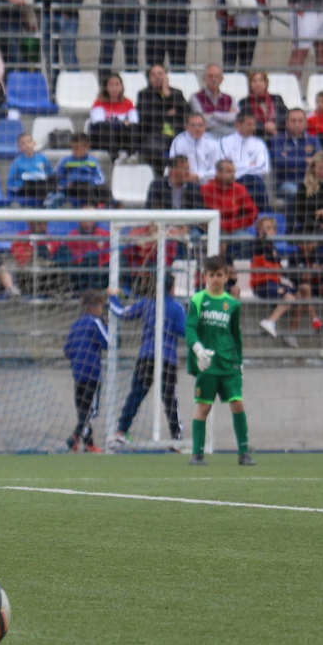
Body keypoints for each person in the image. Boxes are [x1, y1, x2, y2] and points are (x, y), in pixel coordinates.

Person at [185, 254, 252, 466]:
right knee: (204, 407)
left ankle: (244, 452)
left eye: (219, 275)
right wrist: (197, 349)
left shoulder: (232, 304)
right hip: (207, 365)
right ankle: (197, 454)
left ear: (226, 276)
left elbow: (235, 335)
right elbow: (190, 328)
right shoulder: (198, 299)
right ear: (205, 276)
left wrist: (239, 362)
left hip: (229, 363)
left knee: (238, 404)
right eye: (211, 274)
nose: (215, 278)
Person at [107, 284, 186, 447]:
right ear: (171, 288)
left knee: (135, 395)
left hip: (147, 356)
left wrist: (113, 297)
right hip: (167, 358)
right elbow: (183, 331)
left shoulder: (147, 303)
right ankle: (177, 437)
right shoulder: (177, 307)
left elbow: (122, 313)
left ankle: (121, 431)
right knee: (170, 398)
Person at [62, 290, 110, 452]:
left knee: (83, 410)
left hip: (78, 374)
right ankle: (75, 437)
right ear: (94, 307)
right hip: (92, 373)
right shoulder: (95, 322)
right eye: (101, 306)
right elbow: (108, 342)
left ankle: (88, 443)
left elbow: (67, 350)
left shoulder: (76, 324)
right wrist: (106, 325)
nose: (102, 310)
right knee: (91, 411)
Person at [136, 65, 189, 169]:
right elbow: (146, 116)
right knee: (152, 149)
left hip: (178, 133)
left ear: (166, 76)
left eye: (160, 74)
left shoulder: (177, 93)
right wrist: (169, 113)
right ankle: (164, 173)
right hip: (156, 135)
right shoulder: (144, 94)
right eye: (153, 75)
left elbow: (187, 112)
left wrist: (168, 95)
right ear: (149, 79)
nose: (157, 77)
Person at [218, 111, 272, 209]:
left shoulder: (259, 143)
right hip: (232, 181)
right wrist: (249, 164)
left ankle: (266, 214)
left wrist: (236, 166)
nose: (253, 128)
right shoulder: (224, 142)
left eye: (254, 124)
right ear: (238, 125)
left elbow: (264, 168)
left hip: (254, 182)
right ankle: (267, 213)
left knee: (254, 182)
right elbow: (223, 167)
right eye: (249, 124)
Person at [271, 109, 323, 202]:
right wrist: (305, 160)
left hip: (309, 181)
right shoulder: (278, 139)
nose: (297, 124)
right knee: (296, 193)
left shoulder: (313, 140)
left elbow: (319, 161)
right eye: (293, 121)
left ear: (305, 123)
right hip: (286, 182)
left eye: (300, 121)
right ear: (287, 123)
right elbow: (280, 162)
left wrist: (291, 159)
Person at [289, 150, 323, 236]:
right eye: (320, 168)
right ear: (314, 168)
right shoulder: (304, 188)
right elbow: (300, 215)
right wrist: (317, 225)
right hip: (308, 230)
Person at [201, 159, 258, 233]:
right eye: (229, 172)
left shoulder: (240, 189)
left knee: (246, 239)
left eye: (234, 171)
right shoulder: (206, 189)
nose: (233, 175)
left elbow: (253, 213)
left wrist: (236, 224)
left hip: (234, 230)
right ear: (218, 173)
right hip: (211, 229)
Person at [169, 111, 220, 185]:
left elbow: (217, 169)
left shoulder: (213, 143)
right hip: (186, 183)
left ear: (205, 126)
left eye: (200, 125)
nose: (197, 128)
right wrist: (188, 176)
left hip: (208, 183)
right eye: (193, 125)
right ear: (186, 126)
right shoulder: (179, 142)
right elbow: (175, 167)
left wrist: (199, 176)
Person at [238, 71, 286, 138]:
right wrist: (264, 126)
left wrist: (274, 124)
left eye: (260, 80)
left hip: (276, 133)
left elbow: (286, 115)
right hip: (256, 135)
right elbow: (244, 120)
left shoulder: (276, 98)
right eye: (254, 81)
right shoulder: (244, 102)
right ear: (250, 85)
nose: (258, 83)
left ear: (266, 83)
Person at [193, 63, 238, 135]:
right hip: (206, 134)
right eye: (210, 76)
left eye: (217, 76)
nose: (214, 79)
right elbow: (202, 121)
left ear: (221, 79)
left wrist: (213, 114)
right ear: (204, 78)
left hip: (229, 133)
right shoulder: (196, 98)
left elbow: (235, 118)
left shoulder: (230, 98)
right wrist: (226, 118)